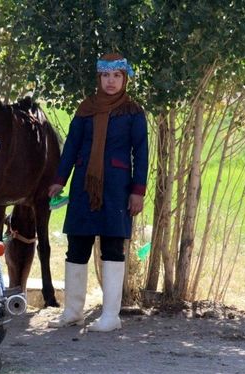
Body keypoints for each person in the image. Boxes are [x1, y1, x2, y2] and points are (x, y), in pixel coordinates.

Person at [47, 53, 148, 332]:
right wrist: (59, 179)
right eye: (105, 76)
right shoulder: (85, 109)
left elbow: (141, 153)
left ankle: (110, 317)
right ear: (99, 78)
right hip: (83, 187)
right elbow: (71, 147)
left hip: (117, 189)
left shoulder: (132, 112)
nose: (111, 81)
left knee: (113, 247)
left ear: (124, 78)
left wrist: (137, 191)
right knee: (76, 246)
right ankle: (73, 312)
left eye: (116, 76)